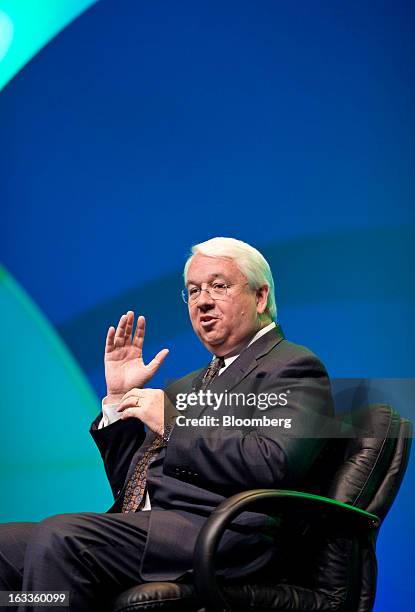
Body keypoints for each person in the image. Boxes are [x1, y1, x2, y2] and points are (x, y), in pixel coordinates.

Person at [0, 237, 333, 611]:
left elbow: (274, 461)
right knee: (6, 547)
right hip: (158, 530)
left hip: (222, 533)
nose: (203, 301)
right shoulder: (187, 384)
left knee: (61, 537)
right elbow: (136, 486)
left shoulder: (291, 367)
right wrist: (118, 402)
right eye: (193, 291)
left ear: (259, 298)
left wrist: (175, 423)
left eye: (219, 286)